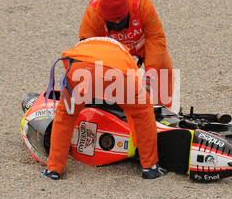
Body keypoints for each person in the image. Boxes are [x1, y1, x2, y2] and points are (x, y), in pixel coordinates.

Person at [43, 37, 167, 180]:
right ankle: (150, 167)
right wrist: (136, 140)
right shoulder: (124, 52)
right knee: (142, 111)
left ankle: (53, 169)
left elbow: (67, 65)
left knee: (65, 115)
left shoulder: (83, 44)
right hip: (115, 70)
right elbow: (134, 106)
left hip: (79, 68)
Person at [79, 0, 174, 108]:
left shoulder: (142, 4)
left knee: (163, 70)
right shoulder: (93, 14)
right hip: (110, 52)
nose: (118, 25)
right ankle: (107, 109)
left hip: (143, 44)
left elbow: (155, 37)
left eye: (122, 20)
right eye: (113, 23)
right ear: (103, 17)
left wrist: (151, 70)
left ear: (129, 11)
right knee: (102, 78)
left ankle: (163, 112)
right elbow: (87, 51)